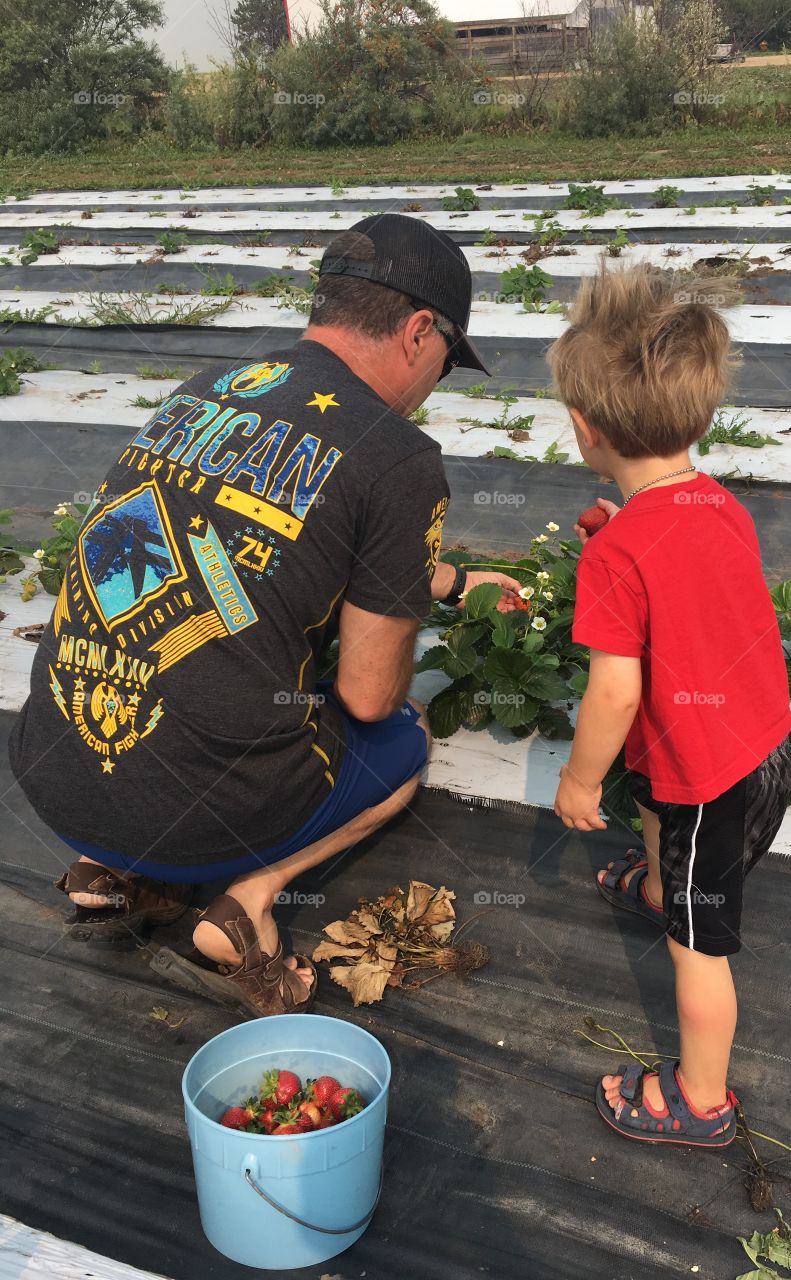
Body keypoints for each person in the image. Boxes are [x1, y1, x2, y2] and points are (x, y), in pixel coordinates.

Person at [8, 214, 519, 1019]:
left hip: (53, 773)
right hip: (196, 809)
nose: (437, 381)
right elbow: (366, 697)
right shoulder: (397, 456)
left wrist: (448, 580)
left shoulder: (204, 390)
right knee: (403, 738)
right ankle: (246, 905)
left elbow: (269, 538)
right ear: (420, 331)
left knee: (193, 676)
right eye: (450, 360)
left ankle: (107, 875)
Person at [549, 264, 791, 1147]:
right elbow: (691, 585)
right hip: (764, 742)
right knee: (663, 816)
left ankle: (701, 1099)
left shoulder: (615, 559)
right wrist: (618, 539)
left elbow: (616, 690)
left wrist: (580, 784)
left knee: (702, 947)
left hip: (712, 781)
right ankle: (660, 886)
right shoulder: (720, 505)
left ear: (585, 428)